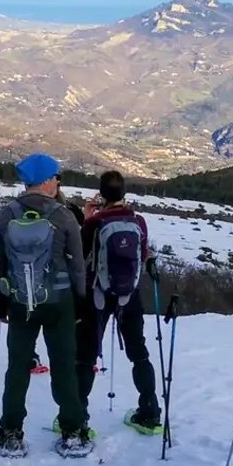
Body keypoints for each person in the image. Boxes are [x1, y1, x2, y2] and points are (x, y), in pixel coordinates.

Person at [0, 154, 88, 458]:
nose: (59, 182)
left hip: (20, 300)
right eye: (57, 177)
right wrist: (81, 301)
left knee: (18, 367)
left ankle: (11, 433)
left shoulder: (6, 214)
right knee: (64, 367)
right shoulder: (65, 216)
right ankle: (72, 432)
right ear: (45, 180)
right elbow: (78, 265)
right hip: (60, 302)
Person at [80, 171, 164, 430]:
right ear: (124, 192)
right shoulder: (137, 221)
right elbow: (143, 253)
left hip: (98, 295)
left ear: (101, 194)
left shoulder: (96, 222)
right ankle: (149, 412)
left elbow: (82, 255)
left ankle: (78, 416)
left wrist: (87, 219)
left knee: (86, 355)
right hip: (130, 294)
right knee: (139, 352)